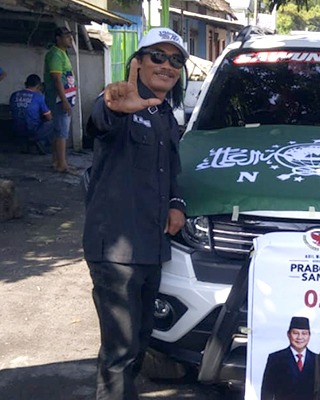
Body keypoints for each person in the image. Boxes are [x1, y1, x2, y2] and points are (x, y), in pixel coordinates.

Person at [82, 27, 188, 400]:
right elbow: (98, 124)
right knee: (120, 351)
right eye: (157, 56)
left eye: (176, 60)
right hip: (116, 249)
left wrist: (177, 204)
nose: (167, 65)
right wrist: (111, 107)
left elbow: (171, 173)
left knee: (142, 340)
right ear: (138, 62)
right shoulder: (120, 102)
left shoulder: (166, 117)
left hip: (152, 247)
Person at [44, 27, 78, 174]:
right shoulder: (56, 55)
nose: (70, 39)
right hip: (60, 99)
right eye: (67, 37)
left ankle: (56, 161)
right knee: (62, 132)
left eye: (71, 36)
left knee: (59, 131)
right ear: (58, 38)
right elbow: (57, 79)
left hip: (65, 97)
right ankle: (62, 164)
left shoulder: (61, 53)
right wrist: (64, 100)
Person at [261, 316, 317, 400]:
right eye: (295, 333)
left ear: (309, 335)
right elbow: (267, 391)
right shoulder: (275, 358)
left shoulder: (317, 360)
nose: (300, 337)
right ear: (288, 334)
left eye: (304, 333)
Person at [9, 74, 53, 154]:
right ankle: (37, 141)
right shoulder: (39, 97)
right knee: (52, 122)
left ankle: (26, 144)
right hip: (32, 130)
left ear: (26, 83)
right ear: (39, 86)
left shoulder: (14, 95)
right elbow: (49, 117)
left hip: (16, 129)